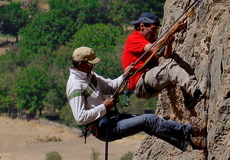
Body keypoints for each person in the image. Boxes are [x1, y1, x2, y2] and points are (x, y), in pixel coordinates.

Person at [66, 46, 205, 149]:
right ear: (81, 65)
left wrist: (125, 75)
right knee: (149, 120)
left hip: (110, 119)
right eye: (91, 64)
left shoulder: (90, 76)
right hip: (103, 128)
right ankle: (192, 131)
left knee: (150, 124)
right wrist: (104, 107)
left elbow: (111, 87)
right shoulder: (76, 85)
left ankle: (190, 142)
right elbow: (80, 118)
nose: (93, 66)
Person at [121, 11, 205, 109]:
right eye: (153, 29)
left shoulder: (149, 39)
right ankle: (196, 90)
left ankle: (189, 97)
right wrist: (170, 32)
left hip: (147, 81)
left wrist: (169, 43)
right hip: (140, 83)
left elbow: (166, 55)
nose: (155, 33)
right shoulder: (134, 38)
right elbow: (154, 49)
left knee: (177, 57)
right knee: (170, 68)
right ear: (142, 26)